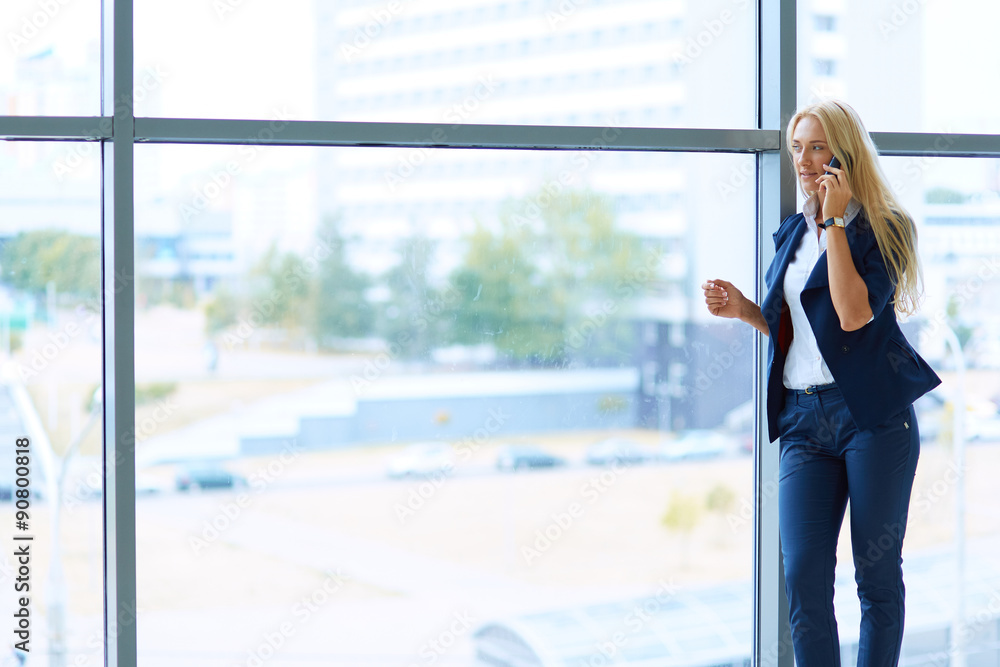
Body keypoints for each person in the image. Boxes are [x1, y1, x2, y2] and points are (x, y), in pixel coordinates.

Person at [701, 99, 941, 667]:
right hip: (805, 422)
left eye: (815, 146)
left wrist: (834, 221)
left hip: (872, 419)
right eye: (795, 149)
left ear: (843, 151)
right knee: (804, 573)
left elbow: (853, 314)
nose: (803, 161)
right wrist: (746, 311)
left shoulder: (887, 228)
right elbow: (799, 326)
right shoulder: (791, 231)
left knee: (875, 575)